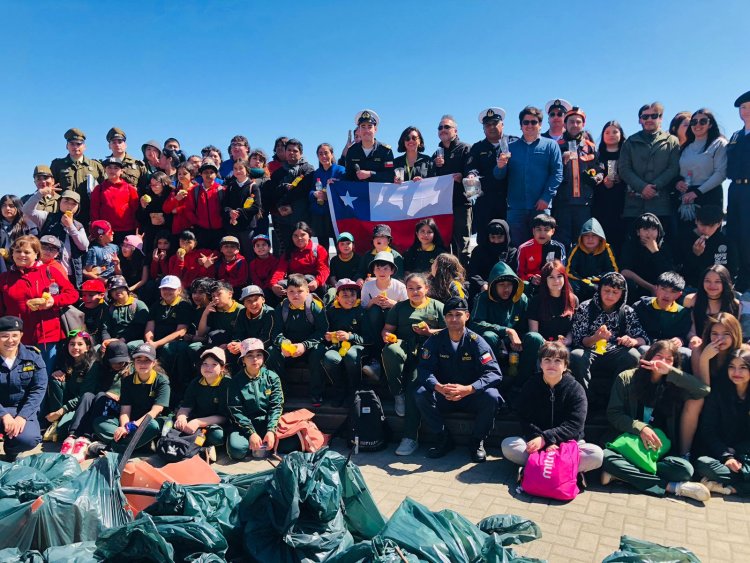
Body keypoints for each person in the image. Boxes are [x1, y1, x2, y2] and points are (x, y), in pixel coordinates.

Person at [600, 340, 711, 503]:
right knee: (605, 457)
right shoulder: (627, 378)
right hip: (627, 446)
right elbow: (614, 414)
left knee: (685, 470)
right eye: (658, 356)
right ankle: (672, 487)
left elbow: (703, 390)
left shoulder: (675, 384)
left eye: (669, 359)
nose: (662, 362)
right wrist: (641, 428)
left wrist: (671, 372)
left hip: (658, 452)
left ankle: (624, 475)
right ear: (649, 356)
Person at [416, 297, 502, 462]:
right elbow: (424, 369)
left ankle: (476, 441)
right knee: (420, 394)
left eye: (458, 314)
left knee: (492, 396)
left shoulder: (477, 342)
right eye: (449, 315)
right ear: (444, 318)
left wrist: (469, 389)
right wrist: (438, 387)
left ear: (467, 316)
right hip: (445, 395)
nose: (454, 319)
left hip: (471, 395)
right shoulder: (434, 341)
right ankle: (443, 438)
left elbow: (494, 373)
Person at [502, 341, 603, 475]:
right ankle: (562, 470)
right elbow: (524, 417)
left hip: (568, 444)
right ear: (541, 364)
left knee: (596, 455)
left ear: (565, 365)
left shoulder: (575, 389)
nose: (552, 365)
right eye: (547, 360)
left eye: (557, 361)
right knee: (508, 445)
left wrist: (548, 438)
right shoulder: (531, 385)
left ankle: (537, 467)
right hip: (537, 443)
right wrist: (540, 439)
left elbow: (575, 425)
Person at [382, 272, 445, 456]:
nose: (415, 291)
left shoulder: (437, 307)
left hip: (427, 354)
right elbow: (387, 329)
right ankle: (397, 393)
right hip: (404, 348)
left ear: (426, 288)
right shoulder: (399, 308)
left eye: (419, 288)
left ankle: (410, 437)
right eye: (411, 288)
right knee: (390, 351)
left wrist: (429, 332)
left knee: (414, 386)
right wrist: (387, 336)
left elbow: (451, 331)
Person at [0, 235, 79, 373]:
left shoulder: (49, 271)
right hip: (17, 339)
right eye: (18, 251)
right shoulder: (5, 278)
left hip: (46, 335)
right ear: (12, 253)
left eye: (27, 252)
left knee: (43, 376)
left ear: (36, 254)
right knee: (19, 376)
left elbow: (73, 294)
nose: (22, 255)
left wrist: (54, 301)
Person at [570, 272, 648, 409]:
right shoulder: (585, 307)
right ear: (599, 289)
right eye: (606, 291)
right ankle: (584, 402)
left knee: (633, 355)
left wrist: (632, 341)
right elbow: (579, 340)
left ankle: (616, 402)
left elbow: (643, 338)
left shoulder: (627, 311)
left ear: (622, 294)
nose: (610, 296)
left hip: (615, 352)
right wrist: (596, 337)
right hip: (589, 351)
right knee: (576, 356)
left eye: (615, 292)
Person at [494, 106, 563, 245]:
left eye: (534, 122)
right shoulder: (509, 147)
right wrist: (500, 166)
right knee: (517, 247)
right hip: (516, 209)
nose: (529, 125)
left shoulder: (551, 145)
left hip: (541, 207)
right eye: (526, 122)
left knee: (543, 247)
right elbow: (499, 175)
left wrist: (546, 197)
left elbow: (557, 173)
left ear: (540, 125)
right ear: (520, 126)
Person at [618, 102, 681, 241]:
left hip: (660, 205)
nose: (649, 119)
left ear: (661, 118)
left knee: (660, 247)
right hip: (634, 205)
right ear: (640, 119)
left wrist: (654, 186)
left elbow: (673, 168)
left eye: (654, 115)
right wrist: (642, 187)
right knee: (633, 247)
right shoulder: (630, 142)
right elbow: (624, 169)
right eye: (645, 116)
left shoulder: (672, 141)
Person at [682, 312, 743, 457]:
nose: (719, 339)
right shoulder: (700, 351)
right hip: (709, 396)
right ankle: (684, 453)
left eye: (726, 334)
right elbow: (702, 390)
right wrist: (704, 359)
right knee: (695, 401)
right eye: (714, 333)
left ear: (735, 334)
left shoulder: (741, 352)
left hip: (733, 395)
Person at [58, 340, 128, 462]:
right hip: (96, 401)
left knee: (101, 396)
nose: (118, 364)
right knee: (87, 395)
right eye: (114, 361)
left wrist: (116, 394)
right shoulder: (98, 366)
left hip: (115, 408)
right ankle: (72, 436)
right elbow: (87, 388)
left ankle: (86, 437)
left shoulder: (129, 370)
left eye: (121, 361)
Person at [93, 343, 170, 453]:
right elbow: (125, 410)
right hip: (131, 422)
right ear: (134, 362)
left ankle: (114, 447)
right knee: (100, 422)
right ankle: (133, 444)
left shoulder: (162, 380)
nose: (142, 364)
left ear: (153, 363)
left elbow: (156, 411)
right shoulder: (127, 380)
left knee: (153, 425)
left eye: (147, 360)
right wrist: (125, 427)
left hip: (149, 421)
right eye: (139, 360)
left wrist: (131, 427)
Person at [695, 345, 750, 497]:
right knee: (703, 464)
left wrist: (738, 451)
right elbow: (707, 430)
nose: (736, 372)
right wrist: (727, 456)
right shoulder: (719, 392)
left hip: (745, 455)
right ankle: (743, 484)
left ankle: (736, 488)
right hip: (720, 454)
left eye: (743, 367)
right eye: (732, 367)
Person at [268, 273, 328, 405]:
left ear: (307, 292)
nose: (295, 295)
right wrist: (282, 342)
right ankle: (280, 392)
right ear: (286, 293)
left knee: (319, 352)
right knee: (272, 352)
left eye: (300, 291)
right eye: (291, 291)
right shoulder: (282, 308)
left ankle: (316, 393)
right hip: (289, 349)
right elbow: (276, 332)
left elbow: (322, 331)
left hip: (309, 348)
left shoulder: (315, 307)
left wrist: (305, 345)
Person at [675, 109, 728, 249]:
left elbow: (721, 173)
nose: (697, 125)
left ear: (710, 124)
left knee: (709, 240)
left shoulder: (719, 143)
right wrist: (678, 182)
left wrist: (697, 192)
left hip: (709, 195)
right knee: (686, 239)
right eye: (694, 122)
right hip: (686, 199)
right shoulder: (685, 147)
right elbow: (679, 171)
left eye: (703, 121)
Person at [552, 107, 603, 249]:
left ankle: (581, 270)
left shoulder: (591, 147)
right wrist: (562, 161)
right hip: (563, 202)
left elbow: (601, 169)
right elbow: (549, 171)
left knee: (584, 240)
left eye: (578, 122)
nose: (574, 125)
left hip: (584, 203)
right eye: (571, 122)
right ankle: (561, 270)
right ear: (565, 124)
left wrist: (597, 178)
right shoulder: (556, 146)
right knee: (561, 241)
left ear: (583, 124)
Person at [314, 279, 369, 405]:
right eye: (345, 296)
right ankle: (339, 390)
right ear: (337, 297)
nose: (349, 299)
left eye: (353, 295)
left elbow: (369, 338)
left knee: (351, 355)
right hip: (337, 347)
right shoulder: (331, 311)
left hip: (358, 347)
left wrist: (350, 336)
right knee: (329, 357)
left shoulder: (362, 311)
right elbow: (323, 333)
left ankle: (354, 391)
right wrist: (328, 337)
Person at [226, 338, 283, 460]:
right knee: (236, 449)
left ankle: (263, 442)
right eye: (250, 355)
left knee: (291, 444)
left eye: (259, 355)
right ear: (243, 360)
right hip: (244, 427)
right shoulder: (235, 382)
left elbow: (276, 406)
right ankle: (254, 444)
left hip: (267, 423)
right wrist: (251, 433)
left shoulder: (272, 378)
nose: (255, 359)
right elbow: (236, 410)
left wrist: (271, 430)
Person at [465, 107, 517, 240]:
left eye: (495, 123)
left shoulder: (514, 142)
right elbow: (472, 167)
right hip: (485, 200)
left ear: (502, 125)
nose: (492, 127)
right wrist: (471, 175)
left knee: (510, 238)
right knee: (484, 238)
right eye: (488, 124)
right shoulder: (478, 147)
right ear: (483, 128)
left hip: (509, 200)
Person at [0, 316, 47, 460]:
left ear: (21, 335)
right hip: (1, 408)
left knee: (29, 438)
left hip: (21, 409)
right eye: (4, 336)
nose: (10, 340)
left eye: (15, 335)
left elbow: (39, 389)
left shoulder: (33, 356)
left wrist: (22, 416)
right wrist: (3, 414)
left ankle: (11, 449)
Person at [173, 347, 231, 462]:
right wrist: (181, 417)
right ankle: (194, 449)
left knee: (217, 436)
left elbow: (225, 417)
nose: (208, 368)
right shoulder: (196, 382)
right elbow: (186, 406)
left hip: (214, 423)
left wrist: (197, 422)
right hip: (195, 422)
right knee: (172, 425)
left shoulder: (227, 384)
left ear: (223, 367)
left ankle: (202, 450)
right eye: (205, 363)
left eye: (214, 364)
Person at [22, 188, 88, 288]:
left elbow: (84, 246)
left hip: (70, 273)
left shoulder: (78, 225)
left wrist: (70, 226)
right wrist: (40, 194)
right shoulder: (47, 217)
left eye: (74, 203)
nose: (69, 206)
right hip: (46, 272)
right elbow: (27, 210)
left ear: (78, 207)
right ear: (59, 202)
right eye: (66, 201)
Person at [430, 115, 471, 264]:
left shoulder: (466, 148)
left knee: (462, 245)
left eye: (447, 127)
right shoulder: (436, 154)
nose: (443, 130)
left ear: (455, 130)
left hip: (461, 204)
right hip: (442, 208)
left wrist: (463, 177)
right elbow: (431, 182)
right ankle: (445, 279)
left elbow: (473, 174)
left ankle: (464, 281)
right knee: (443, 244)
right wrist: (435, 167)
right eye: (440, 128)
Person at [360, 251, 408, 380]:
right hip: (373, 324)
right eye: (378, 268)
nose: (382, 271)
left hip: (393, 325)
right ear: (373, 271)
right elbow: (363, 307)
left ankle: (380, 362)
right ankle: (376, 360)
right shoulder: (368, 285)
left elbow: (407, 309)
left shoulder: (400, 287)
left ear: (392, 271)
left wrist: (394, 304)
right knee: (375, 310)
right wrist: (372, 301)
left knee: (388, 311)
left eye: (386, 268)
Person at [143, 275, 193, 396]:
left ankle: (168, 385)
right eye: (164, 288)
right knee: (134, 346)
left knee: (168, 349)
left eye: (171, 288)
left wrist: (157, 344)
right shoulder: (156, 305)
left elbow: (181, 331)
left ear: (179, 290)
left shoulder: (184, 305)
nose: (167, 291)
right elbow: (150, 327)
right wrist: (149, 341)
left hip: (174, 342)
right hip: (155, 341)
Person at [44, 329, 96, 438]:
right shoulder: (69, 360)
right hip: (69, 400)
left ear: (87, 347)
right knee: (55, 379)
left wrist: (60, 411)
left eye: (80, 344)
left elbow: (83, 395)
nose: (75, 347)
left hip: (82, 405)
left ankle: (58, 420)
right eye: (72, 344)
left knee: (62, 431)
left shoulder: (92, 366)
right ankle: (55, 421)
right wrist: (61, 371)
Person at [267, 139, 316, 254]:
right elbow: (272, 193)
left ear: (301, 153)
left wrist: (287, 204)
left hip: (302, 218)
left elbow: (302, 190)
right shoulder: (278, 173)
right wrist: (280, 206)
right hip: (283, 219)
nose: (291, 153)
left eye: (295, 150)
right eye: (289, 150)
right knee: (286, 251)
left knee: (304, 250)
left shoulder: (308, 169)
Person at [49, 128, 105, 226]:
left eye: (78, 144)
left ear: (85, 146)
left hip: (88, 212)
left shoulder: (96, 166)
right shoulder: (57, 165)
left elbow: (104, 189)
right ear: (67, 146)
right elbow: (51, 188)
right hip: (64, 212)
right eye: (72, 144)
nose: (75, 147)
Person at [724, 90, 750, 290]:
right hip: (735, 189)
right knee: (734, 232)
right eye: (743, 108)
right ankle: (739, 276)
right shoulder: (736, 136)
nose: (746, 111)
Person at [619, 213, 676, 302]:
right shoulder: (630, 246)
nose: (649, 233)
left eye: (653, 229)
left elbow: (669, 275)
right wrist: (650, 287)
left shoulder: (665, 247)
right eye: (645, 229)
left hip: (660, 288)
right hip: (638, 287)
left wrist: (655, 252)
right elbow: (625, 271)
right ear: (638, 232)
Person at [526, 260, 579, 352]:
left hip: (564, 348)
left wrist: (568, 341)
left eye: (559, 276)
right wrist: (549, 344)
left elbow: (573, 328)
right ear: (545, 280)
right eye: (551, 277)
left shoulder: (573, 299)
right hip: (543, 347)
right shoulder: (536, 301)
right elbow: (534, 332)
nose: (556, 281)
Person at [680, 206, 737, 289]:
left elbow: (732, 270)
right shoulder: (684, 238)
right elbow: (681, 271)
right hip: (692, 287)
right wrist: (695, 254)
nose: (706, 230)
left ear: (719, 223)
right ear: (696, 221)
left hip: (719, 288)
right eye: (702, 224)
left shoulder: (726, 242)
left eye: (711, 226)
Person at [270, 222, 329, 299]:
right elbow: (280, 270)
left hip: (313, 284)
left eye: (303, 235)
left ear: (309, 235)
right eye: (296, 236)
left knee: (309, 278)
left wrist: (317, 282)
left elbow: (324, 270)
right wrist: (273, 284)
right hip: (295, 283)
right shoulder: (289, 252)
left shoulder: (319, 249)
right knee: (279, 286)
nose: (299, 238)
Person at [683, 265, 740, 347]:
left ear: (725, 283)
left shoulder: (736, 305)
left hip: (726, 347)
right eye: (707, 281)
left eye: (717, 281)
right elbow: (688, 328)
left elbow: (738, 334)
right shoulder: (691, 300)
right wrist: (693, 337)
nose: (712, 285)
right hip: (699, 346)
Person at [593, 121, 628, 253]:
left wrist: (621, 179)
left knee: (620, 237)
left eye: (615, 132)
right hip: (601, 202)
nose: (611, 135)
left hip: (622, 202)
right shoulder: (597, 155)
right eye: (607, 132)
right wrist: (602, 182)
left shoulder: (627, 154)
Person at [90, 157, 140, 245]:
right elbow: (94, 211)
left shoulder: (130, 189)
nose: (112, 170)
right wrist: (95, 231)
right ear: (105, 170)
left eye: (116, 168)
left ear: (122, 171)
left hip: (127, 231)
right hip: (106, 233)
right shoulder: (99, 189)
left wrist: (137, 230)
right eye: (109, 167)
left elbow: (136, 211)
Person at [566, 218, 618, 299]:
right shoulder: (575, 248)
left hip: (600, 282)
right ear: (581, 238)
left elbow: (613, 270)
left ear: (600, 238)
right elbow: (568, 270)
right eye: (586, 235)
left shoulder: (607, 248)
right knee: (570, 285)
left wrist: (598, 279)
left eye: (594, 235)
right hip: (580, 282)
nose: (590, 239)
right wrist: (584, 281)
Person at [467, 219, 517, 301]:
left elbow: (513, 274)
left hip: (504, 285)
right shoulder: (479, 251)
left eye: (499, 237)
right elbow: (472, 271)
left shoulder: (512, 252)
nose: (496, 241)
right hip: (483, 286)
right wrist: (482, 284)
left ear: (506, 236)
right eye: (493, 237)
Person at [223, 158, 264, 258]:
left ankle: (249, 273)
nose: (238, 171)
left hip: (247, 227)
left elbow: (256, 207)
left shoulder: (252, 186)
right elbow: (224, 205)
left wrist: (239, 212)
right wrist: (230, 212)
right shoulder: (231, 186)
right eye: (235, 168)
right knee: (233, 255)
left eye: (240, 168)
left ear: (247, 169)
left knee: (249, 253)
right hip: (232, 227)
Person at [309, 143, 345, 251]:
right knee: (322, 248)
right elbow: (310, 191)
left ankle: (339, 268)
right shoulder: (316, 173)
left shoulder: (340, 170)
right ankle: (324, 268)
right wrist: (315, 194)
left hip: (336, 215)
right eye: (320, 154)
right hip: (320, 214)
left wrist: (330, 194)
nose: (323, 156)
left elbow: (345, 189)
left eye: (326, 153)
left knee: (339, 245)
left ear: (332, 154)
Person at [516, 214, 567, 290]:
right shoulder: (523, 248)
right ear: (533, 231)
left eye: (546, 230)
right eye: (538, 229)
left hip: (552, 283)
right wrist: (531, 278)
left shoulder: (559, 247)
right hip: (531, 284)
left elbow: (561, 271)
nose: (542, 233)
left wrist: (548, 279)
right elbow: (519, 273)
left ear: (553, 231)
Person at [344, 109, 395, 183]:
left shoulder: (385, 151)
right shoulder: (352, 151)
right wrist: (336, 181)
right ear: (359, 130)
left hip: (378, 194)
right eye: (363, 126)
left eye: (370, 126)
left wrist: (370, 174)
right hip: (358, 193)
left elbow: (390, 176)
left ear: (375, 129)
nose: (366, 130)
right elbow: (348, 176)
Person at [101, 275, 149, 350]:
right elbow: (105, 328)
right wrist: (106, 340)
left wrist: (122, 340)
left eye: (120, 288)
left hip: (134, 339)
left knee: (129, 346)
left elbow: (139, 328)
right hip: (114, 340)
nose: (117, 291)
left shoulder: (139, 305)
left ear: (126, 289)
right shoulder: (110, 308)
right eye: (113, 290)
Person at [184, 159, 224, 250]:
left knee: (217, 255)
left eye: (211, 172)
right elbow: (189, 209)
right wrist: (196, 222)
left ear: (215, 174)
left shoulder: (221, 190)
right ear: (201, 174)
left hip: (219, 230)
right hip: (201, 230)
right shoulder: (194, 191)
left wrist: (221, 221)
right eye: (205, 172)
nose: (208, 175)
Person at [136, 171, 173, 254]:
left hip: (168, 232)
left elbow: (176, 214)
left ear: (164, 183)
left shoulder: (171, 195)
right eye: (152, 185)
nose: (154, 187)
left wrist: (165, 219)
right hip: (152, 234)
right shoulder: (148, 197)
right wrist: (143, 207)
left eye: (157, 184)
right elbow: (141, 218)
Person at [104, 127, 148, 192]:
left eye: (120, 142)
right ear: (109, 146)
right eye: (114, 142)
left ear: (125, 145)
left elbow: (145, 188)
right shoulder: (103, 166)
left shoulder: (138, 165)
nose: (117, 145)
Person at [164, 162, 198, 236]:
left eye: (184, 173)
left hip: (193, 229)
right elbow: (166, 209)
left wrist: (178, 209)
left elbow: (198, 208)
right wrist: (176, 199)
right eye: (179, 174)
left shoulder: (197, 190)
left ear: (191, 175)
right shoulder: (176, 191)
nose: (181, 176)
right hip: (177, 229)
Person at [248, 234, 281, 304]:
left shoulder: (275, 261)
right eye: (257, 245)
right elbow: (255, 278)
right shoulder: (252, 264)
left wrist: (266, 288)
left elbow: (272, 276)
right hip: (259, 288)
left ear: (269, 247)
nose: (260, 247)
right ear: (254, 249)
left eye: (264, 245)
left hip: (271, 287)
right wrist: (261, 289)